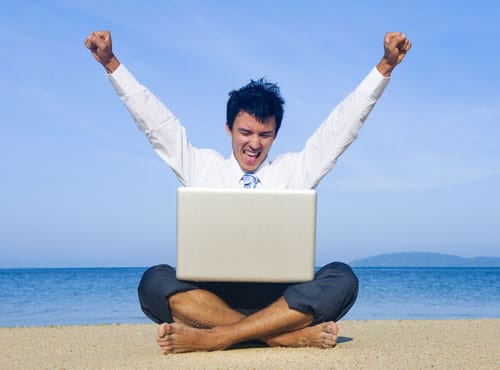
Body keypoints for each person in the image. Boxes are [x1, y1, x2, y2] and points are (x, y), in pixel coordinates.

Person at [84, 30, 411, 354]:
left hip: (279, 299)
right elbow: (156, 125)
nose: (254, 143)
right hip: (213, 299)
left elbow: (342, 127)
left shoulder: (294, 170)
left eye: (265, 134)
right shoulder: (201, 166)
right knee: (153, 281)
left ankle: (218, 337)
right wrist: (111, 62)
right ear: (229, 128)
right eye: (245, 132)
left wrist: (385, 66)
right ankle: (277, 337)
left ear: (275, 134)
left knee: (343, 278)